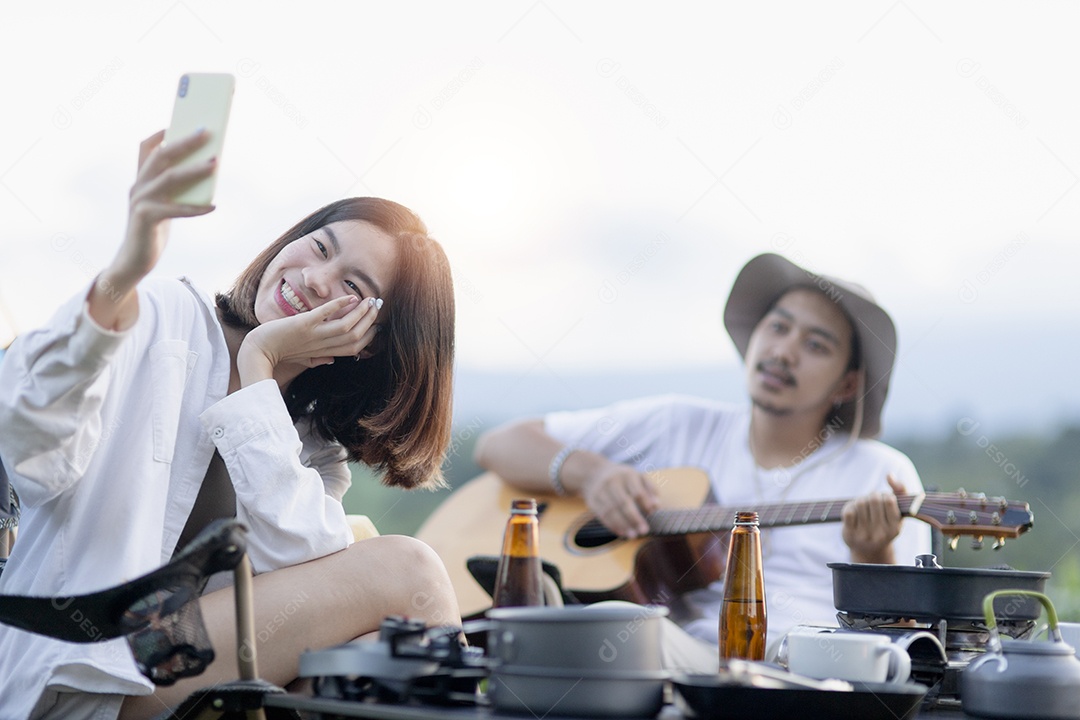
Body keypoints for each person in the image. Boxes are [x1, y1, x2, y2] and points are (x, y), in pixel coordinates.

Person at [0, 130, 461, 720]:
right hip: (85, 669)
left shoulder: (315, 446)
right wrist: (128, 265)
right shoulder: (166, 320)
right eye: (319, 248)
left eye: (353, 286)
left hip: (192, 675)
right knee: (410, 569)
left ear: (371, 343)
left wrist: (258, 369)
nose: (318, 278)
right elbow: (36, 448)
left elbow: (293, 578)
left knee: (371, 661)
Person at [473, 252, 931, 669]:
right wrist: (590, 473)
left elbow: (903, 648)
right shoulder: (678, 424)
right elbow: (498, 444)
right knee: (611, 625)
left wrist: (873, 555)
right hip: (680, 654)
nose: (784, 351)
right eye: (778, 326)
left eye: (816, 345)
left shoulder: (882, 474)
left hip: (809, 670)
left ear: (848, 385)